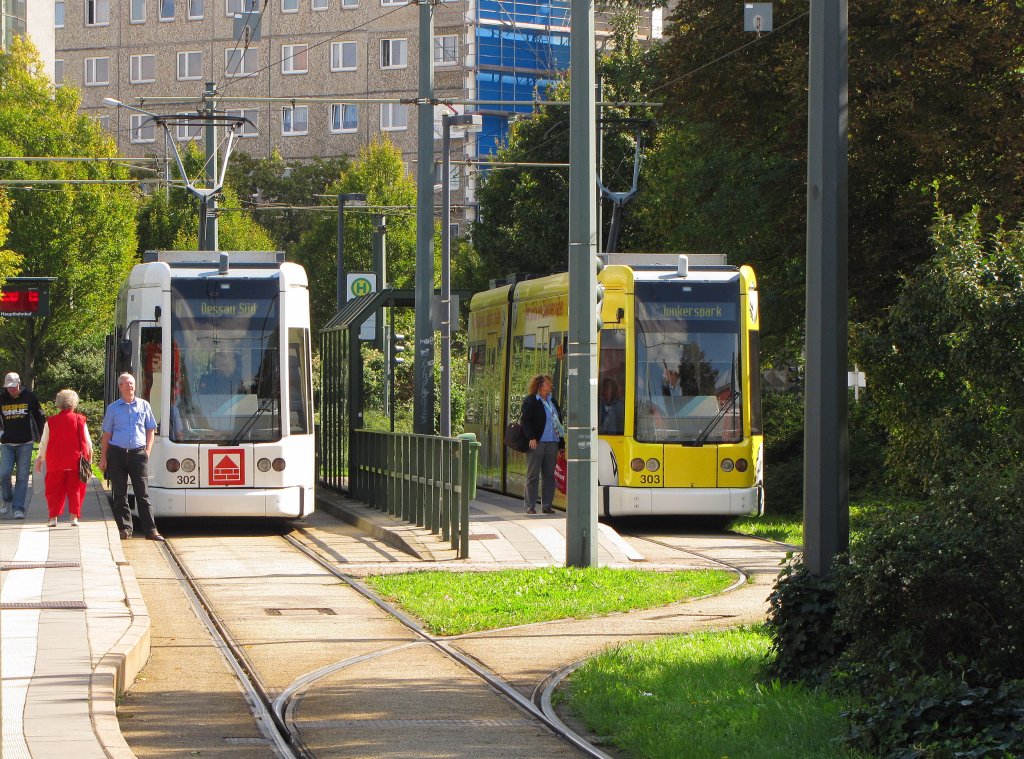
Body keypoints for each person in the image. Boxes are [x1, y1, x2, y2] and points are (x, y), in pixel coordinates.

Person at [99, 373, 164, 542]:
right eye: (126, 383)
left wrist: (147, 451)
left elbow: (150, 429)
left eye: (132, 383)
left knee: (142, 493)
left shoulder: (144, 405)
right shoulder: (113, 408)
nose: (130, 386)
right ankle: (125, 528)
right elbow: (107, 435)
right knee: (120, 494)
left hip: (138, 454)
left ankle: (151, 530)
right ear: (120, 386)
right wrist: (103, 458)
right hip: (117, 454)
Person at [34, 389, 92, 527]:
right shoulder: (80, 419)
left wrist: (40, 459)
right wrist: (89, 459)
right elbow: (87, 442)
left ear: (58, 404)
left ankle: (53, 518)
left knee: (53, 490)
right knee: (76, 490)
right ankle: (74, 518)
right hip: (75, 461)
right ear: (74, 403)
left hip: (55, 462)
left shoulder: (51, 421)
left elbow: (44, 442)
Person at [0, 372, 46, 519]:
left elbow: (39, 417)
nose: (11, 389)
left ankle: (18, 508)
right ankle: (7, 498)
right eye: (9, 387)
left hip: (25, 442)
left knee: (22, 476)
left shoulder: (30, 397)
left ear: (19, 383)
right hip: (6, 443)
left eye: (14, 386)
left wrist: (42, 437)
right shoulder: (2, 399)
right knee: (4, 473)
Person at [520, 374, 564, 515]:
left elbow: (559, 423)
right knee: (533, 474)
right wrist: (531, 437)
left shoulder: (553, 402)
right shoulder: (531, 400)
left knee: (549, 476)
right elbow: (525, 420)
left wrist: (561, 445)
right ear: (540, 385)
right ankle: (530, 506)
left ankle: (547, 506)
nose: (551, 385)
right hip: (537, 442)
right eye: (548, 383)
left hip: (552, 442)